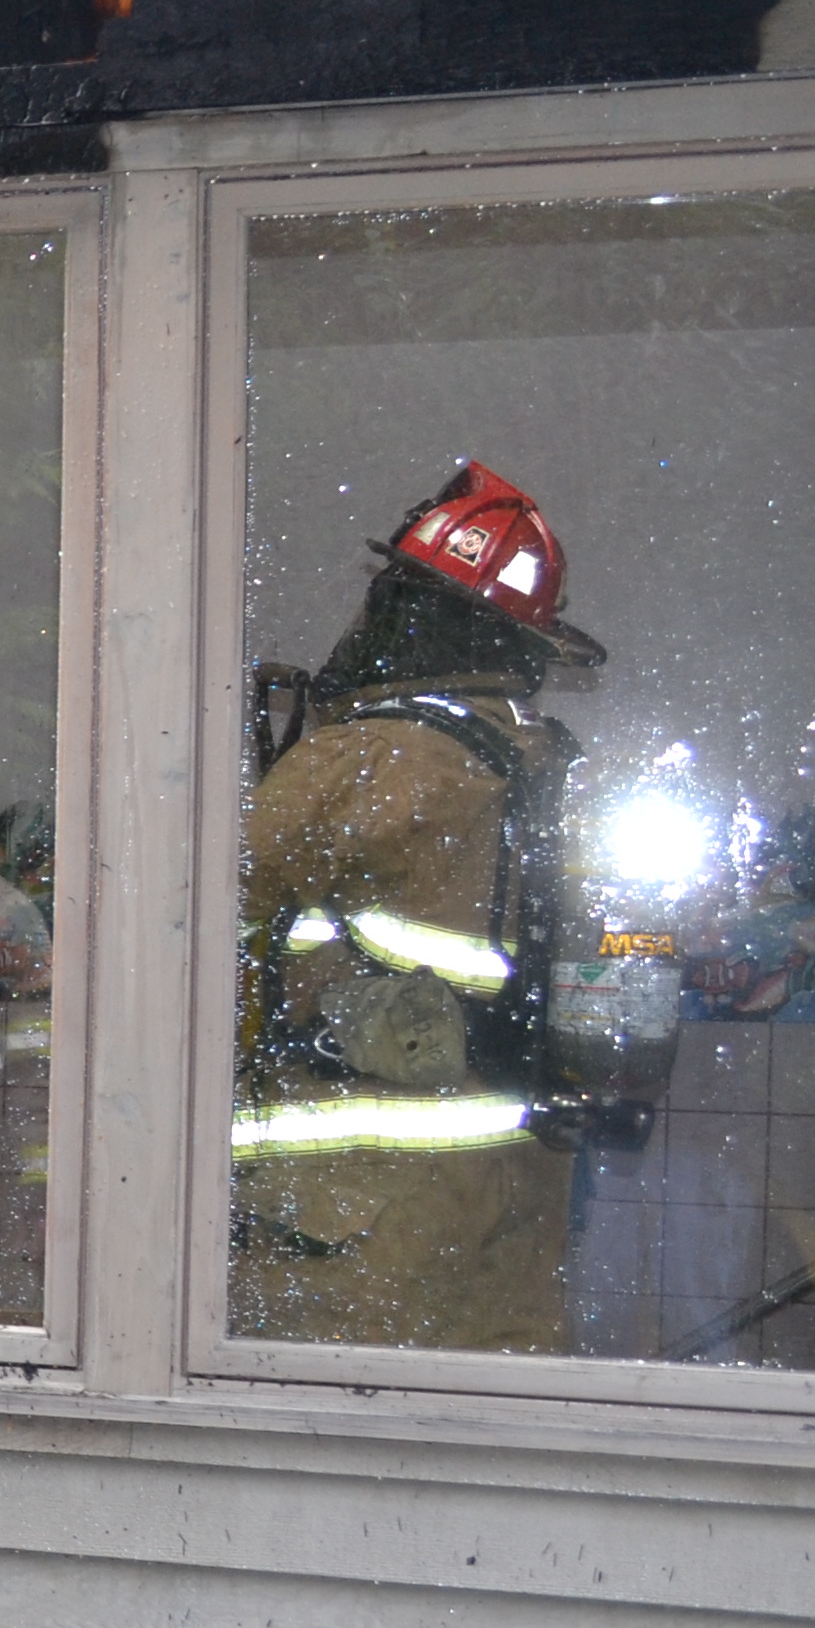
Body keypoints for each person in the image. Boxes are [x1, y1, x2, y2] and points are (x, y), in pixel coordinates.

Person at [232, 462, 603, 1352]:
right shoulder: (542, 767)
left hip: (354, 1214)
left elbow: (195, 923)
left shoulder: (362, 759)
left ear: (418, 614)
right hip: (510, 1196)